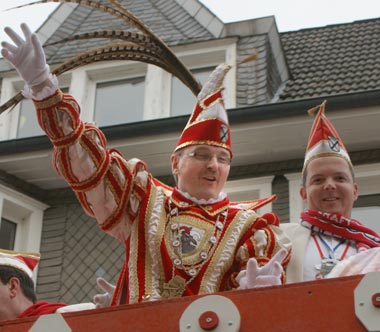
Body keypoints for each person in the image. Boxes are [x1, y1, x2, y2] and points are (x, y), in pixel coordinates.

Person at [1, 23, 291, 305]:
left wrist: (259, 293)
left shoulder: (249, 226)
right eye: (201, 155)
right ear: (175, 163)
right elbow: (90, 166)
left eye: (223, 159)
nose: (214, 165)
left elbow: (253, 302)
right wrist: (44, 88)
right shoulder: (144, 198)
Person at [282, 102, 380, 283]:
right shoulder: (281, 239)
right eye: (318, 180)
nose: (329, 185)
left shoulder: (375, 249)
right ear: (303, 193)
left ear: (355, 191)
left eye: (340, 178)